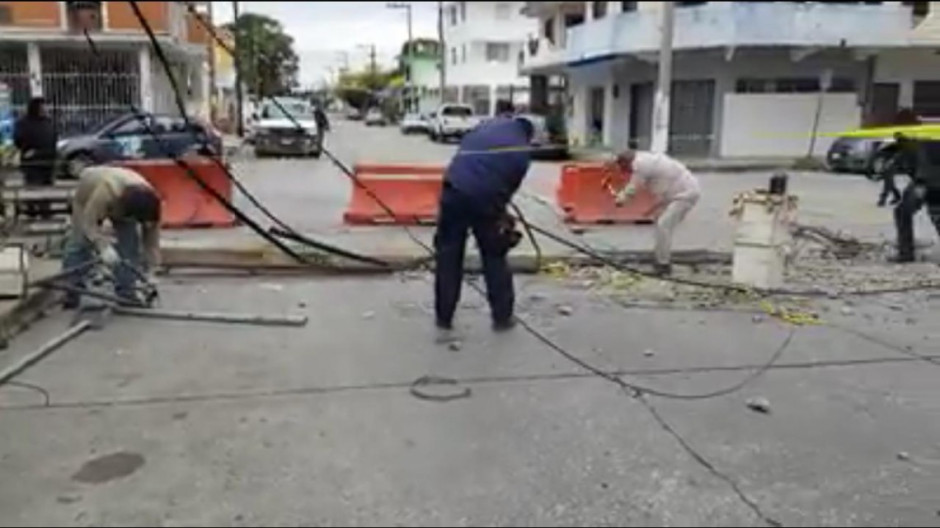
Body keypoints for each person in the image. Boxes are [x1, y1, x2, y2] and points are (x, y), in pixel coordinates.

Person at [434, 114, 534, 335]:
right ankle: (502, 316)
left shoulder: (485, 127)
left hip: (454, 190)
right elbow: (505, 190)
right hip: (485, 200)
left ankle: (444, 317)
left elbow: (462, 156)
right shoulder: (522, 154)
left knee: (448, 255)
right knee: (493, 255)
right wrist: (502, 216)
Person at [61, 157, 161, 308]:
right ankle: (72, 290)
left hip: (125, 201)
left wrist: (152, 270)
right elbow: (89, 224)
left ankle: (126, 293)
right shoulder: (107, 191)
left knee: (129, 248)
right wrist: (103, 247)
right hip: (88, 196)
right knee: (80, 244)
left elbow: (152, 243)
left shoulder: (151, 203)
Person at [607, 149, 701, 277]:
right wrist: (652, 209)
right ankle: (659, 258)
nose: (626, 171)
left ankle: (663, 265)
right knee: (660, 225)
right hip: (678, 192)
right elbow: (661, 188)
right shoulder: (646, 159)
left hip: (685, 194)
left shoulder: (640, 164)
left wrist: (621, 199)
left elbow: (634, 186)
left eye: (623, 167)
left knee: (663, 226)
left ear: (627, 162)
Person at [892, 136, 940, 263]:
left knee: (904, 212)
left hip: (928, 180)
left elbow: (926, 158)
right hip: (925, 179)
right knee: (903, 212)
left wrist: (920, 181)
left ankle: (906, 253)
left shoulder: (924, 137)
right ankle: (905, 252)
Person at [13, 97, 58, 218]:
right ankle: (32, 211)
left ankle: (45, 211)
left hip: (47, 161)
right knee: (34, 188)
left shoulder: (48, 122)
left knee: (46, 189)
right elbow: (18, 140)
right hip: (33, 163)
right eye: (42, 106)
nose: (45, 109)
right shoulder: (24, 123)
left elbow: (53, 138)